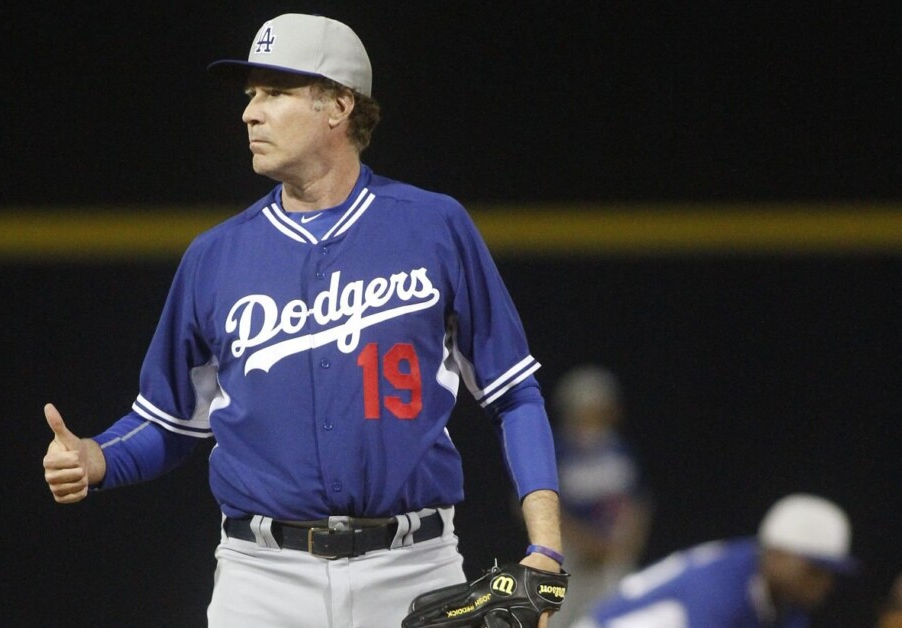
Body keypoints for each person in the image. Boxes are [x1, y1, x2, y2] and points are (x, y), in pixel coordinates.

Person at [42, 13, 566, 628]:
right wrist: (98, 458)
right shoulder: (215, 257)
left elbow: (514, 395)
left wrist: (547, 551)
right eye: (250, 95)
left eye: (275, 92)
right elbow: (171, 421)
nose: (250, 113)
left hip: (414, 567)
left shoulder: (434, 227)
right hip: (262, 579)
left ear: (339, 105)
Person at [571, 493, 858, 628]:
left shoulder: (784, 601)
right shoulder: (721, 589)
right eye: (814, 569)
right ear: (776, 554)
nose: (824, 583)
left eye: (830, 573)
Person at [547, 365, 652, 627]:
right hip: (567, 556)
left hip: (615, 554)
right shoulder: (556, 450)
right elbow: (532, 504)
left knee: (623, 617)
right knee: (559, 619)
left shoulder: (618, 448)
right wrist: (584, 542)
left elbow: (639, 501)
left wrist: (628, 541)